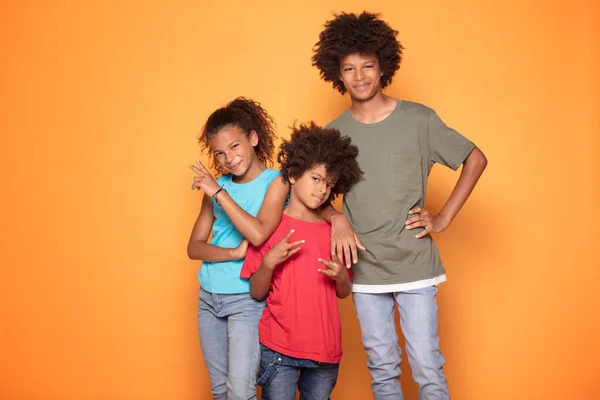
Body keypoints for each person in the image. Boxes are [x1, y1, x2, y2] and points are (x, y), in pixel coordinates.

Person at [312, 12, 488, 400]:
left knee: (427, 364)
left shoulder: (419, 120)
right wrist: (336, 217)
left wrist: (442, 218)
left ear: (383, 66)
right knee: (382, 369)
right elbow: (309, 196)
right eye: (349, 69)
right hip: (364, 267)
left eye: (368, 66)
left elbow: (475, 159)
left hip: (414, 263)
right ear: (336, 74)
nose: (359, 76)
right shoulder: (333, 133)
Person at [240, 122, 363, 400]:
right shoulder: (271, 227)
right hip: (279, 349)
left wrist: (341, 276)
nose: (323, 190)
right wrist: (269, 263)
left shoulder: (333, 233)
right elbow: (256, 291)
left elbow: (343, 292)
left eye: (329, 185)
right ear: (294, 174)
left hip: (324, 352)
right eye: (317, 179)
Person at [187, 97, 287, 399]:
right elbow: (194, 247)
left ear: (253, 139)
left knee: (240, 390)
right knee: (219, 390)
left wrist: (219, 192)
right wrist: (231, 254)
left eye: (234, 147)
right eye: (219, 153)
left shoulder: (278, 181)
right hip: (209, 298)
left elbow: (258, 234)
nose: (229, 158)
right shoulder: (215, 188)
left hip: (246, 300)